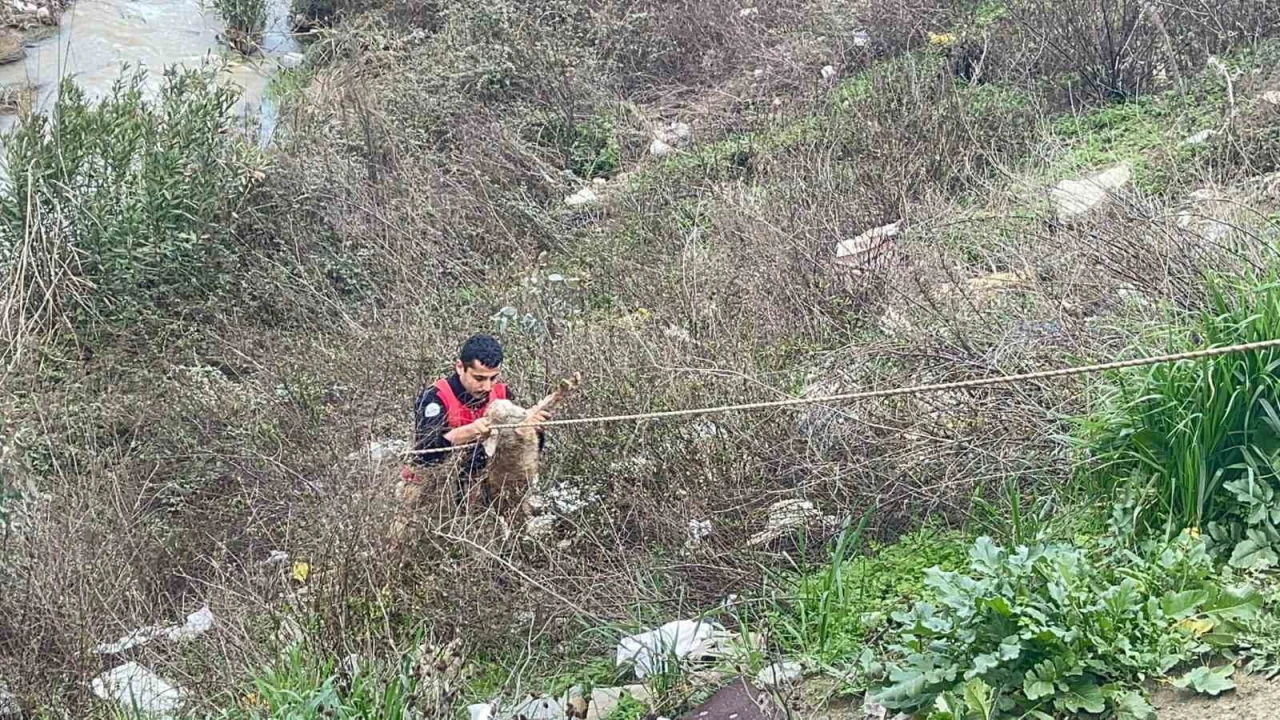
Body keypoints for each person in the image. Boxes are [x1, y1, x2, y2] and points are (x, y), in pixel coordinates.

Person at [406, 333, 549, 506]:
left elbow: (520, 455)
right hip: (436, 489)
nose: (487, 387)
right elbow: (426, 455)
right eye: (479, 378)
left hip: (483, 487)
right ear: (460, 367)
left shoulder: (502, 394)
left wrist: (532, 433)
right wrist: (470, 432)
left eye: (493, 378)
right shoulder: (435, 397)